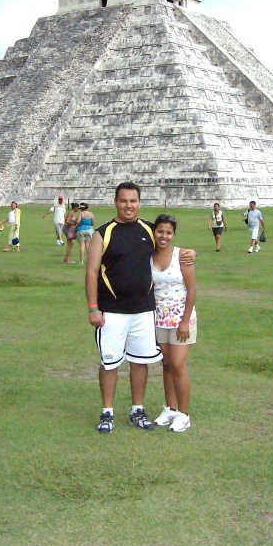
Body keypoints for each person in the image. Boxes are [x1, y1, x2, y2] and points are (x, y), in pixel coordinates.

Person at [85, 182, 196, 433]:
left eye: (133, 201)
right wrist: (93, 307)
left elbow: (168, 247)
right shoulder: (103, 233)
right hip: (112, 311)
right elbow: (91, 272)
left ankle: (137, 409)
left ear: (139, 203)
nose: (128, 206)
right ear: (115, 202)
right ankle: (107, 412)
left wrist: (190, 253)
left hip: (145, 311)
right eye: (123, 201)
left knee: (140, 361)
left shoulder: (148, 229)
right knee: (110, 362)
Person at [152, 214, 197, 433]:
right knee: (167, 364)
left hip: (181, 317)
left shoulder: (182, 256)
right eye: (160, 231)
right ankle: (170, 408)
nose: (164, 236)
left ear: (174, 234)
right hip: (159, 316)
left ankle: (183, 413)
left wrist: (185, 321)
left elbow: (192, 289)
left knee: (178, 365)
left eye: (168, 232)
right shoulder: (148, 256)